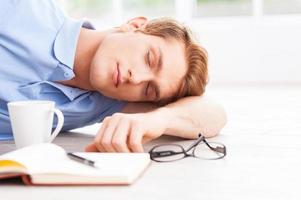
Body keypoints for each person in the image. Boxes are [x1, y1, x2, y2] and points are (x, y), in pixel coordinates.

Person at [0, 0, 227, 152]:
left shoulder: (106, 105)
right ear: (135, 25)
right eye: (150, 58)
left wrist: (159, 119)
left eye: (149, 89)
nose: (136, 78)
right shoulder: (24, 8)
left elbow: (215, 115)